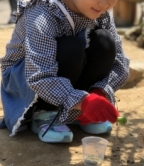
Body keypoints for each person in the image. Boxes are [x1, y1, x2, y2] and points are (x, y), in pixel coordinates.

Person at [0, 0, 130, 143]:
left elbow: (120, 62)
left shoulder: (99, 11)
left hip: (67, 73)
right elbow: (38, 76)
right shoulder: (42, 14)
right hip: (26, 81)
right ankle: (44, 113)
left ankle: (78, 112)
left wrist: (98, 92)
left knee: (104, 41)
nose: (105, 4)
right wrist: (84, 101)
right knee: (70, 48)